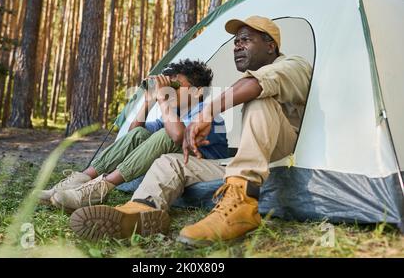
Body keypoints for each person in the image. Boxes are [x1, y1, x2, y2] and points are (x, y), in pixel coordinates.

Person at [68, 16, 312, 244]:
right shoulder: (242, 83)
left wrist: (207, 113)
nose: (237, 46)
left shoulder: (293, 65)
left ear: (271, 46)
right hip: (239, 161)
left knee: (259, 97)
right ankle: (141, 210)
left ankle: (242, 205)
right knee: (169, 162)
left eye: (246, 40)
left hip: (284, 155)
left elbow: (257, 84)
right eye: (235, 42)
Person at [38, 59, 229, 213]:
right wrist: (147, 101)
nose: (170, 90)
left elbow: (177, 136)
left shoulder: (207, 113)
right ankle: (82, 179)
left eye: (176, 84)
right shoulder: (175, 115)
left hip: (204, 167)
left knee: (166, 134)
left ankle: (100, 189)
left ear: (196, 92)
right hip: (181, 159)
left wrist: (162, 100)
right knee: (140, 132)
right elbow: (133, 136)